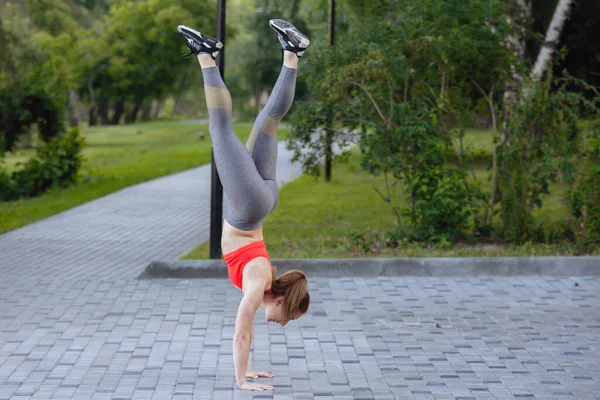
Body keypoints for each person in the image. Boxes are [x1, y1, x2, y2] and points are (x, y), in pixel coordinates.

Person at [177, 19, 311, 391]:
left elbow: (246, 334)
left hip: (265, 198)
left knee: (269, 119)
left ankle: (292, 54)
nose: (283, 323)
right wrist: (241, 381)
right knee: (220, 127)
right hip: (249, 203)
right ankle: (207, 55)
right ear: (281, 300)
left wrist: (249, 368)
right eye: (289, 316)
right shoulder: (258, 283)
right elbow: (241, 334)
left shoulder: (266, 275)